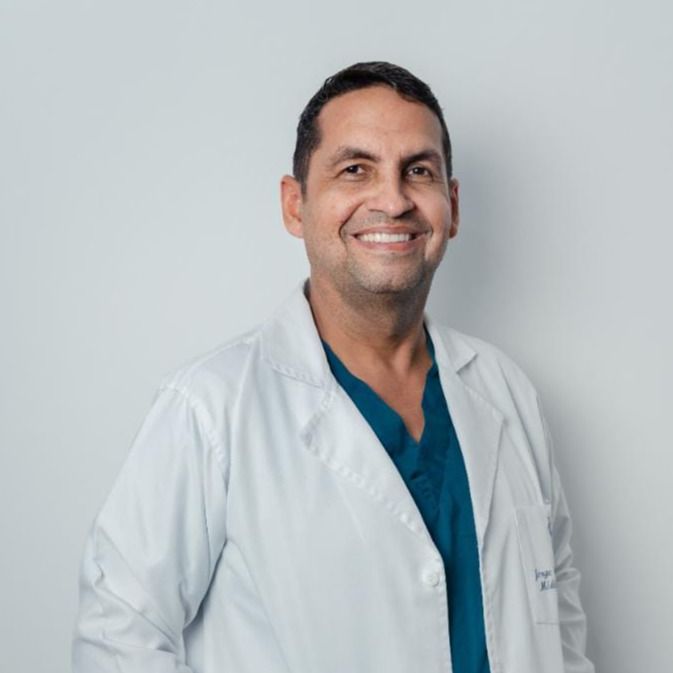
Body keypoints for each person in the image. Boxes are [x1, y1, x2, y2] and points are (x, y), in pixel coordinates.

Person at [72, 61, 594, 673]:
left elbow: (557, 611)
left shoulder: (507, 391)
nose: (393, 200)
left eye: (418, 171)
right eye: (355, 170)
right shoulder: (209, 410)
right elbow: (116, 638)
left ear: (451, 207)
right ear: (296, 206)